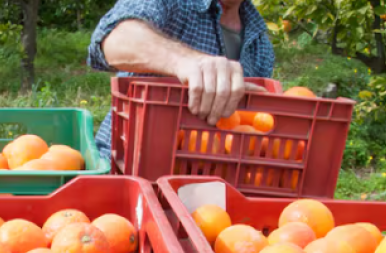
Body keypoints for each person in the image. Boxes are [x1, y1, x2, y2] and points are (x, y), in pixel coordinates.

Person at [89, 0, 275, 159]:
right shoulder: (177, 3)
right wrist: (186, 61)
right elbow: (116, 39)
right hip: (128, 165)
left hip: (208, 180)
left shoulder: (260, 43)